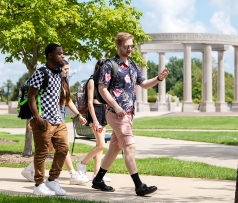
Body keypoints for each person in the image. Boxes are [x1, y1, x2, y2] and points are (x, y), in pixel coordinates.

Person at [93, 32, 169, 196]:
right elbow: (102, 88)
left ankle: (98, 179)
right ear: (118, 46)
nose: (130, 49)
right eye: (126, 46)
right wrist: (115, 105)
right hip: (116, 113)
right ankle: (139, 185)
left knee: (114, 147)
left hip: (128, 113)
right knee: (130, 146)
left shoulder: (133, 65)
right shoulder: (110, 64)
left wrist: (158, 78)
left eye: (132, 46)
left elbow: (144, 84)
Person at [21, 59, 88, 186]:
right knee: (61, 146)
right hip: (51, 115)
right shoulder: (50, 78)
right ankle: (72, 174)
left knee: (54, 147)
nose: (67, 72)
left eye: (68, 69)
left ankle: (29, 169)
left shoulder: (63, 81)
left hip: (59, 114)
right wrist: (34, 119)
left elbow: (68, 101)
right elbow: (36, 98)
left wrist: (78, 114)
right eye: (65, 69)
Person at [28, 43, 69, 196]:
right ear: (50, 55)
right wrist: (37, 118)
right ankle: (38, 185)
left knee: (64, 148)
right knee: (42, 152)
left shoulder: (59, 72)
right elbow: (31, 95)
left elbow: (56, 96)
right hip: (43, 120)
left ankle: (52, 180)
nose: (62, 56)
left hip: (57, 119)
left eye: (63, 53)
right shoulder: (41, 72)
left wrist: (59, 114)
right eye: (60, 53)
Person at [76, 59, 111, 183]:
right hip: (94, 112)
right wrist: (95, 120)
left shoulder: (104, 82)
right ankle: (82, 163)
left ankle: (97, 174)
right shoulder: (91, 81)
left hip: (103, 111)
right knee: (101, 145)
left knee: (99, 146)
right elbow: (90, 102)